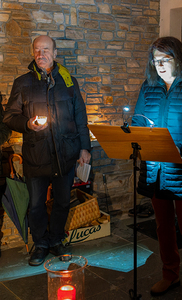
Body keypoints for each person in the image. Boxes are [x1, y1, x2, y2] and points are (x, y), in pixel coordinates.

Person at [132, 36, 182, 300]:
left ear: (179, 58)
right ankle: (170, 275)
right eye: (156, 60)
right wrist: (132, 134)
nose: (161, 65)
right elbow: (138, 120)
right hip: (155, 168)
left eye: (166, 59)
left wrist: (181, 148)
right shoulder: (149, 86)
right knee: (162, 226)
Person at [3, 35, 91, 266]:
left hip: (66, 154)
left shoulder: (69, 81)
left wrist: (84, 148)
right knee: (36, 205)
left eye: (46, 49)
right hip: (36, 155)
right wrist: (27, 124)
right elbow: (9, 116)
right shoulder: (22, 83)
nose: (41, 54)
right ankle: (40, 244)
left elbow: (81, 117)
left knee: (62, 202)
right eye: (37, 50)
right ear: (33, 53)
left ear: (55, 52)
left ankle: (56, 241)